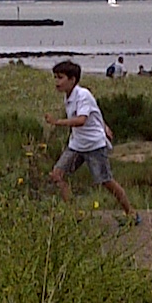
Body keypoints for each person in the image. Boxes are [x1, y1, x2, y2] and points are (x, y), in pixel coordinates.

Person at [46, 60, 138, 221]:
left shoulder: (83, 95)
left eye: (60, 78)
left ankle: (131, 212)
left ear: (72, 79)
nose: (56, 82)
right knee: (57, 175)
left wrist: (57, 122)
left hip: (94, 145)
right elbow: (95, 112)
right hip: (76, 145)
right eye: (55, 77)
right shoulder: (68, 97)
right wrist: (104, 125)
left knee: (106, 181)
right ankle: (74, 214)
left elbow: (81, 119)